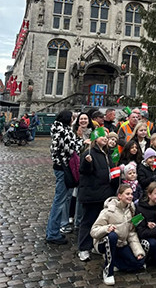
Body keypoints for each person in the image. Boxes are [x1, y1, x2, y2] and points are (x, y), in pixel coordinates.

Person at [90, 184, 146, 286]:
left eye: (131, 194)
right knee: (112, 236)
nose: (130, 196)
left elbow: (131, 233)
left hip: (121, 243)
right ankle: (108, 271)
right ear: (119, 196)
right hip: (104, 242)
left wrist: (138, 251)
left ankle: (116, 260)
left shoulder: (131, 210)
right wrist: (106, 229)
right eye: (127, 194)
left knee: (139, 264)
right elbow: (93, 231)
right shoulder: (108, 211)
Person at [77, 127, 116, 261]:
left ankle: (95, 245)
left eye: (106, 136)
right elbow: (84, 170)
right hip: (91, 193)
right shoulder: (89, 152)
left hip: (104, 193)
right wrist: (87, 163)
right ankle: (83, 248)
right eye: (102, 136)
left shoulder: (106, 153)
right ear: (95, 138)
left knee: (99, 222)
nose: (105, 138)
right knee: (88, 221)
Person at [47, 110, 80, 245]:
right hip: (63, 168)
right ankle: (52, 233)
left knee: (61, 199)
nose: (73, 119)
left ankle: (53, 230)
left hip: (60, 167)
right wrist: (82, 141)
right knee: (59, 201)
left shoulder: (58, 128)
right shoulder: (63, 131)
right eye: (72, 117)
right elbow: (71, 149)